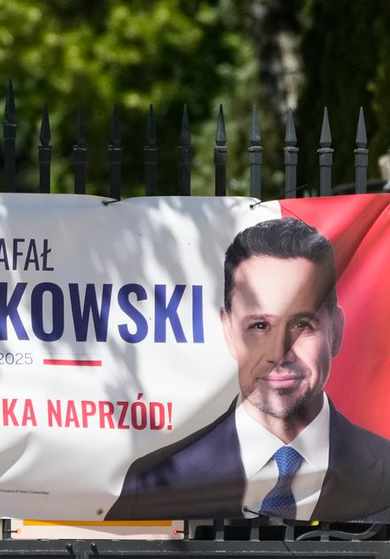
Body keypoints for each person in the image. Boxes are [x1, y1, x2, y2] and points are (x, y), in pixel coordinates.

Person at [107, 216, 390, 523]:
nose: (279, 352)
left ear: (336, 330)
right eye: (259, 326)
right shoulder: (153, 483)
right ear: (228, 331)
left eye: (301, 325)